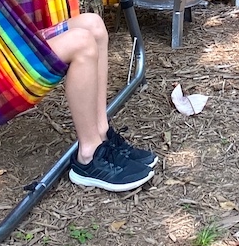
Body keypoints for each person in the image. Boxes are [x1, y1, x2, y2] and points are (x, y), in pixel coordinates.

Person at [41, 13, 159, 191]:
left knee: (93, 25)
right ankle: (88, 155)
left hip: (19, 34)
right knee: (81, 43)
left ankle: (101, 132)